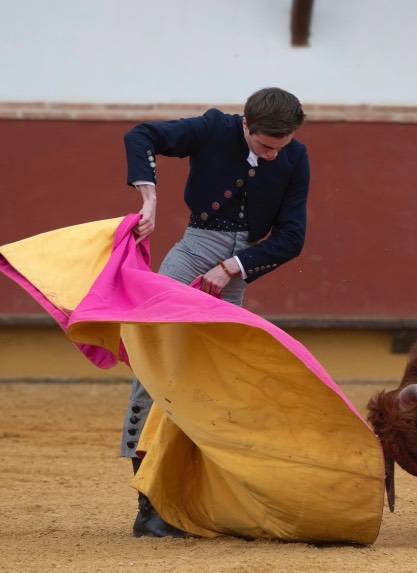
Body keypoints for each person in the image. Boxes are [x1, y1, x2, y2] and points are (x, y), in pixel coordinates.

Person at [119, 87, 310, 537]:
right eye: (264, 147)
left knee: (215, 378)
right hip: (190, 254)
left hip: (235, 274)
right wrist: (148, 197)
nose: (270, 158)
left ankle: (204, 498)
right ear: (246, 124)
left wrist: (233, 267)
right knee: (157, 370)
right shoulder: (214, 128)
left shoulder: (295, 156)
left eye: (278, 150)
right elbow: (141, 136)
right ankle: (150, 504)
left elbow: (292, 236)